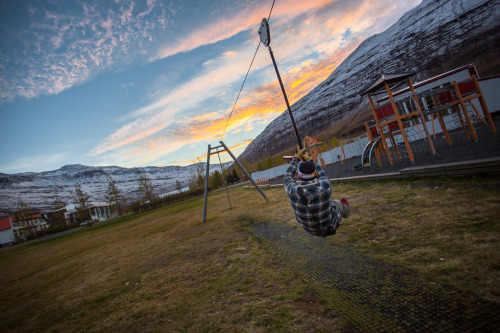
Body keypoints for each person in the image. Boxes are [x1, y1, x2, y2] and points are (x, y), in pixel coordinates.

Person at [284, 147, 350, 237]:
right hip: (330, 226)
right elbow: (322, 174)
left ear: (299, 175)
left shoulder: (292, 191)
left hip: (309, 229)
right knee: (337, 203)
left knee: (328, 204)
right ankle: (346, 209)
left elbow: (288, 176)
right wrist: (311, 160)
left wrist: (296, 159)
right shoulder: (325, 187)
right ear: (314, 174)